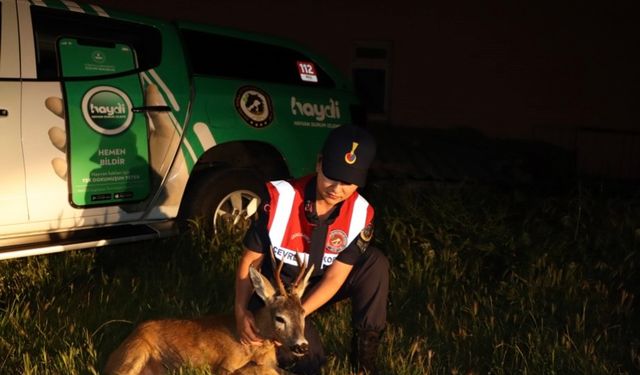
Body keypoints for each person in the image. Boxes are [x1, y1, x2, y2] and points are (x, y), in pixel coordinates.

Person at [234, 124, 389, 374]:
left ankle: (364, 360)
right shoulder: (280, 199)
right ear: (319, 164)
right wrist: (240, 310)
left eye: (349, 182)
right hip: (277, 294)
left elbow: (336, 276)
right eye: (332, 176)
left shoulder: (361, 214)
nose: (337, 189)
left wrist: (299, 313)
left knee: (375, 263)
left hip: (315, 288)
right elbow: (249, 261)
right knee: (308, 362)